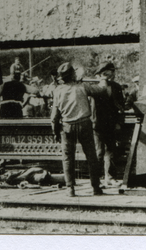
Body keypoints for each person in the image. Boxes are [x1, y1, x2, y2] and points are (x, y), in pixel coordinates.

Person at [51, 62, 106, 197]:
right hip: (84, 124)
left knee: (68, 158)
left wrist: (55, 131)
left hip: (67, 126)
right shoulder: (83, 87)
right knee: (91, 156)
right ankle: (96, 188)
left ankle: (70, 188)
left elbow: (54, 116)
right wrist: (103, 79)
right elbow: (101, 90)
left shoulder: (57, 90)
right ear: (73, 75)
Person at [91, 62, 126, 187]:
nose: (113, 74)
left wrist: (118, 122)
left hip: (111, 123)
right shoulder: (93, 87)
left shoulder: (116, 87)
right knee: (99, 152)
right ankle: (96, 180)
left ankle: (110, 177)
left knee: (111, 151)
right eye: (110, 72)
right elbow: (93, 108)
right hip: (98, 124)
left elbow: (120, 105)